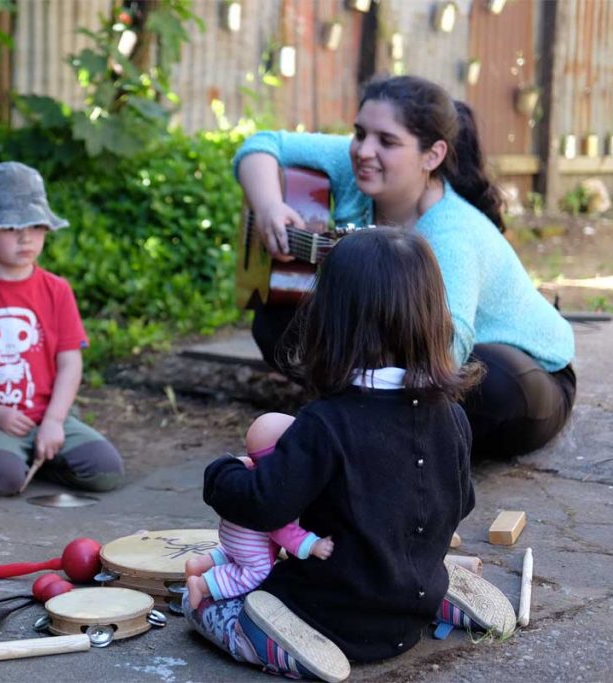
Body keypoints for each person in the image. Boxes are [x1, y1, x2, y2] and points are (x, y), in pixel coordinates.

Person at [185, 228, 517, 682]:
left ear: (330, 320)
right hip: (409, 614)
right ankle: (433, 588)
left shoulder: (325, 424)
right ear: (433, 316)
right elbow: (462, 504)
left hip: (329, 616)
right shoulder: (452, 416)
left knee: (198, 602)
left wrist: (222, 474)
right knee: (404, 549)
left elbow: (263, 505)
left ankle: (268, 638)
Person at [236, 75, 575, 460]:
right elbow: (262, 146)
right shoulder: (357, 170)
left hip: (527, 377)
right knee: (278, 319)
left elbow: (449, 347)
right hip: (410, 353)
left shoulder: (450, 233)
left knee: (488, 384)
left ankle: (374, 429)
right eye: (359, 133)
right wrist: (268, 208)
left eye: (387, 141)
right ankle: (380, 426)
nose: (364, 150)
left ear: (432, 156)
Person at [0, 161, 124, 497]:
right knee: (1, 480)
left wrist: (53, 420)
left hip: (49, 412)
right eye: (10, 227)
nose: (25, 237)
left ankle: (39, 455)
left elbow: (70, 362)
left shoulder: (57, 289)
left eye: (35, 225)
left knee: (105, 469)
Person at [185, 412, 333, 610]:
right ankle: (202, 585)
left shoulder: (249, 471)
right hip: (251, 544)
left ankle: (199, 564)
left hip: (231, 535)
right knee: (256, 571)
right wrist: (313, 545)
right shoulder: (276, 492)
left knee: (231, 554)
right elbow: (283, 531)